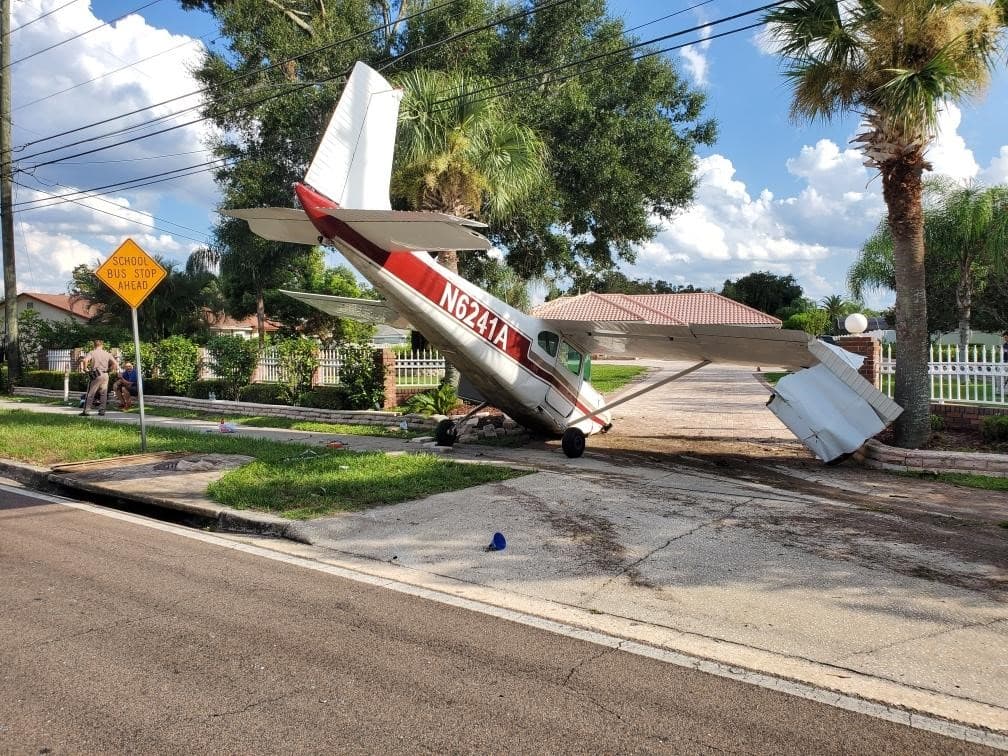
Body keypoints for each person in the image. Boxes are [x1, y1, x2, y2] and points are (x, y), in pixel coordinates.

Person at [78, 339, 119, 416]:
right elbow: (115, 363)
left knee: (91, 393)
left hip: (96, 374)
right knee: (103, 393)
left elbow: (85, 360)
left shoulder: (92, 353)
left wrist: (85, 369)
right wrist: (110, 370)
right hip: (105, 374)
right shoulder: (107, 353)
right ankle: (102, 411)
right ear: (102, 345)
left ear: (94, 345)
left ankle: (86, 411)